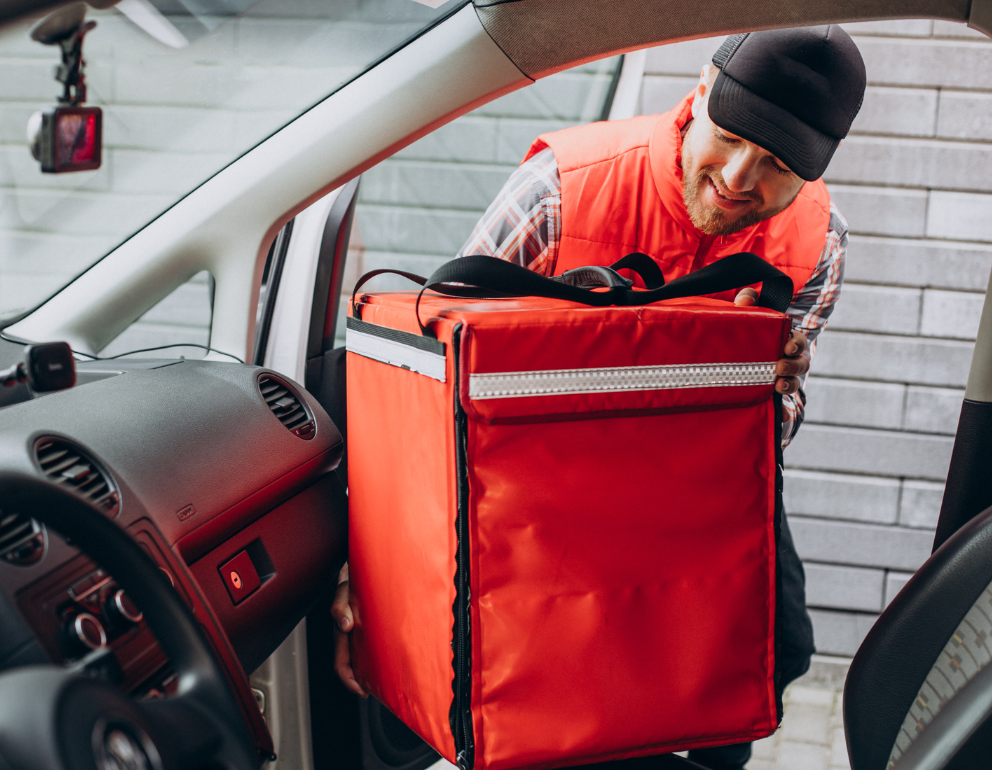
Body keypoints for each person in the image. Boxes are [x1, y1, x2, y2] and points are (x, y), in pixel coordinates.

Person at [333, 25, 866, 770]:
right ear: (702, 91)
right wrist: (368, 572)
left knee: (765, 671)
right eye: (733, 136)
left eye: (777, 166)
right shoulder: (561, 188)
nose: (741, 178)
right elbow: (435, 396)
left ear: (812, 174)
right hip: (542, 502)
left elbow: (778, 422)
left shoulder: (819, 243)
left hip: (701, 501)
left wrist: (773, 394)